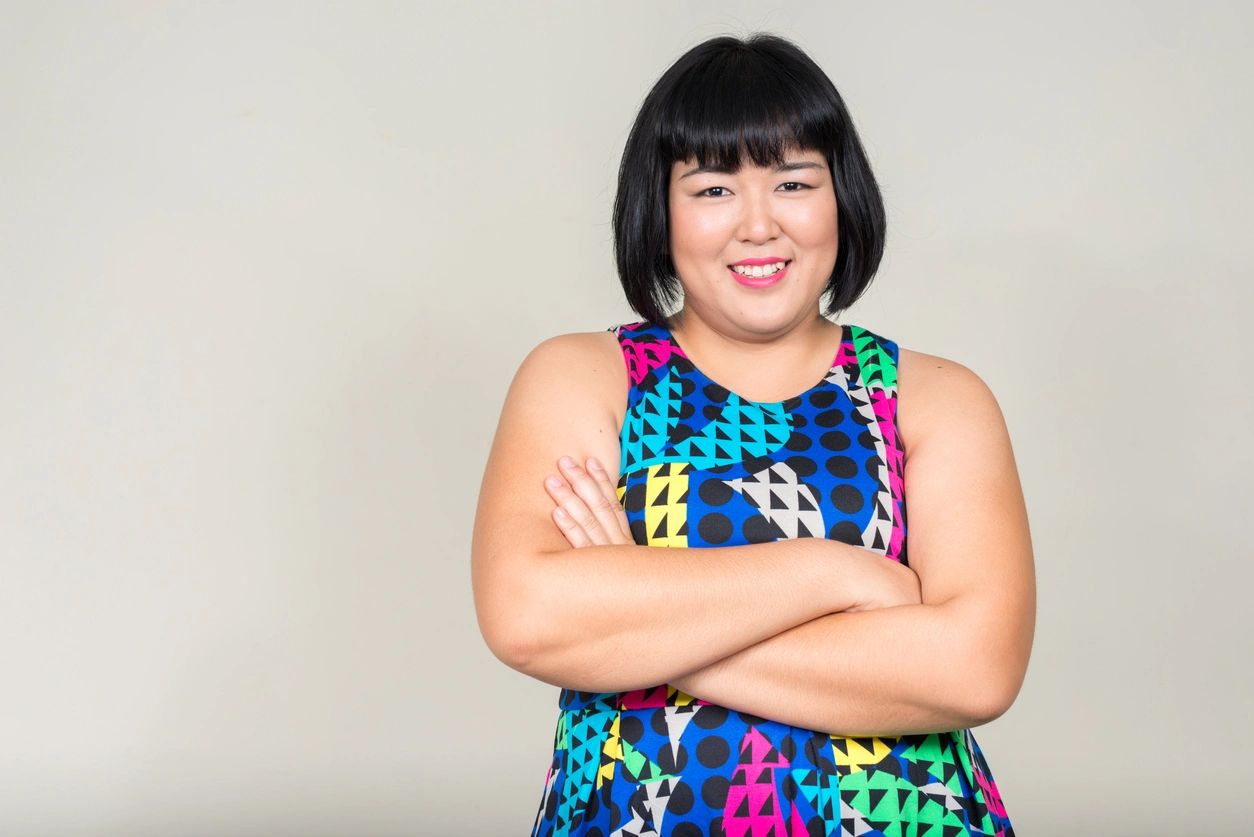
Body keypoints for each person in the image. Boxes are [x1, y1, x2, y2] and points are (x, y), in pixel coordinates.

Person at [471, 32, 1035, 837]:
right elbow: (527, 615)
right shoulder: (588, 379)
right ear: (659, 211)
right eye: (713, 190)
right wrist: (839, 574)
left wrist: (637, 619)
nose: (759, 225)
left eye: (794, 181)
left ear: (841, 196)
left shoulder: (933, 400)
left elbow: (975, 668)